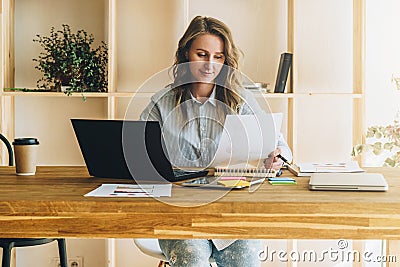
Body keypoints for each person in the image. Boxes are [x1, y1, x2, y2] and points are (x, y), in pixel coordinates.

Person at [140, 16, 292, 267]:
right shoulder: (162, 102)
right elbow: (139, 152)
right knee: (192, 259)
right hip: (179, 213)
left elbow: (280, 147)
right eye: (202, 54)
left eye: (218, 57)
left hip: (231, 212)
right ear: (186, 54)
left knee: (245, 261)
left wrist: (276, 157)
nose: (210, 64)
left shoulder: (240, 100)